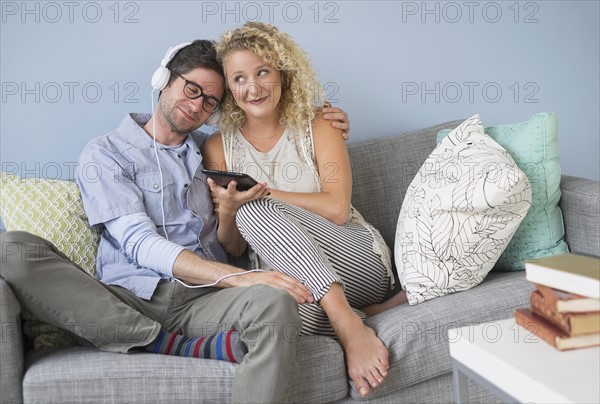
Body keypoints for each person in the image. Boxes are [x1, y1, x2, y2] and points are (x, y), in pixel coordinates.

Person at [0, 39, 351, 404]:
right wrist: (238, 277)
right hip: (128, 298)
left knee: (275, 303)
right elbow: (138, 243)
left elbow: (267, 141)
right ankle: (167, 343)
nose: (196, 105)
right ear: (164, 79)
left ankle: (159, 340)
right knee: (10, 250)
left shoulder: (214, 150)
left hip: (203, 301)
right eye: (192, 89)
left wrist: (328, 122)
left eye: (209, 101)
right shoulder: (105, 153)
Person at [202, 22, 408, 399]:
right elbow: (233, 249)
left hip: (357, 257)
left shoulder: (320, 124)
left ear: (282, 72)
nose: (253, 87)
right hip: (295, 280)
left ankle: (348, 326)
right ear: (229, 88)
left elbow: (337, 209)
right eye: (240, 78)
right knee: (277, 312)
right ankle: (367, 313)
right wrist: (229, 211)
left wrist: (262, 196)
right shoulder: (218, 148)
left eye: (262, 71)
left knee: (254, 211)